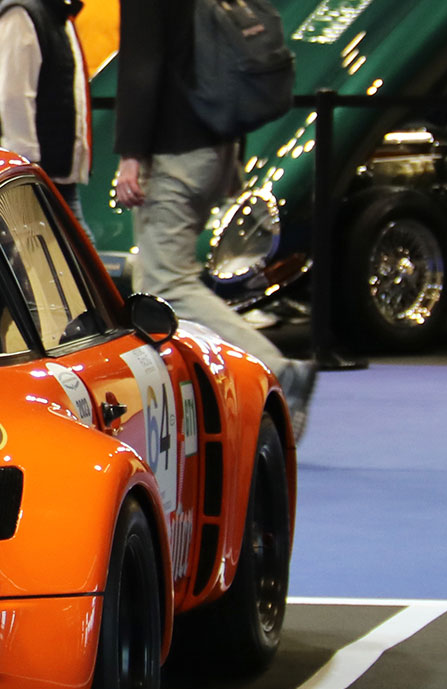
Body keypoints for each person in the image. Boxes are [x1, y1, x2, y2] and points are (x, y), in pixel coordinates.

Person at [113, 0, 316, 437]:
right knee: (159, 279)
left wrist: (130, 156)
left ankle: (277, 370)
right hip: (214, 147)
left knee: (167, 285)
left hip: (175, 152)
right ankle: (187, 405)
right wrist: (234, 155)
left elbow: (141, 66)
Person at [0, 0, 91, 232]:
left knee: (74, 247)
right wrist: (26, 175)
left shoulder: (55, 13)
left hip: (54, 175)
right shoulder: (20, 15)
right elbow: (13, 98)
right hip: (31, 179)